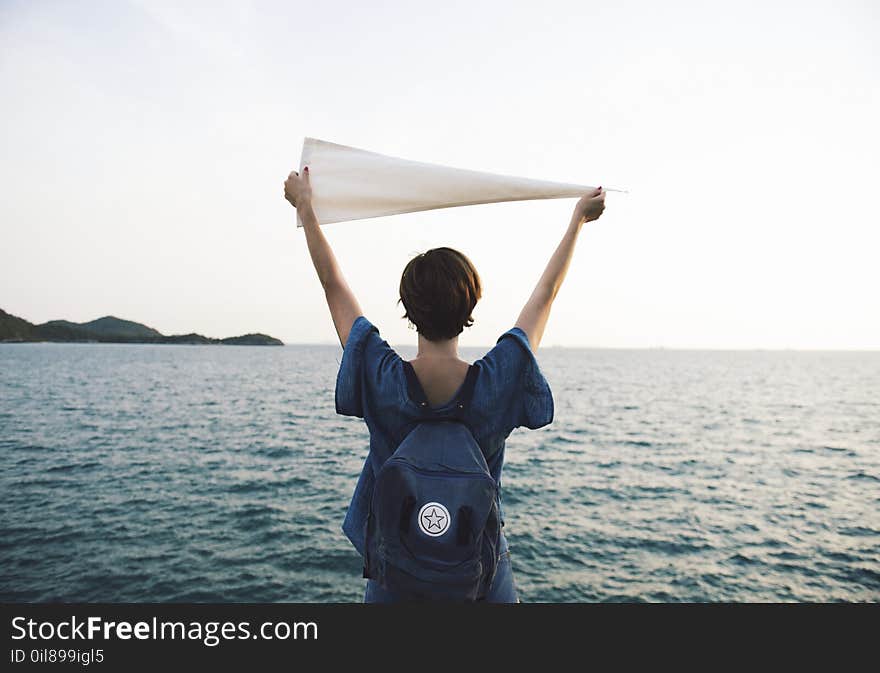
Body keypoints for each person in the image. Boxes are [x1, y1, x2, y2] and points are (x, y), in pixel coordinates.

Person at [284, 165, 606, 602]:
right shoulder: (498, 380)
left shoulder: (382, 378)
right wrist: (577, 221)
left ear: (408, 308)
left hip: (392, 567)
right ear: (471, 303)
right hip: (479, 564)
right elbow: (545, 294)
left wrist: (306, 205)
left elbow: (333, 285)